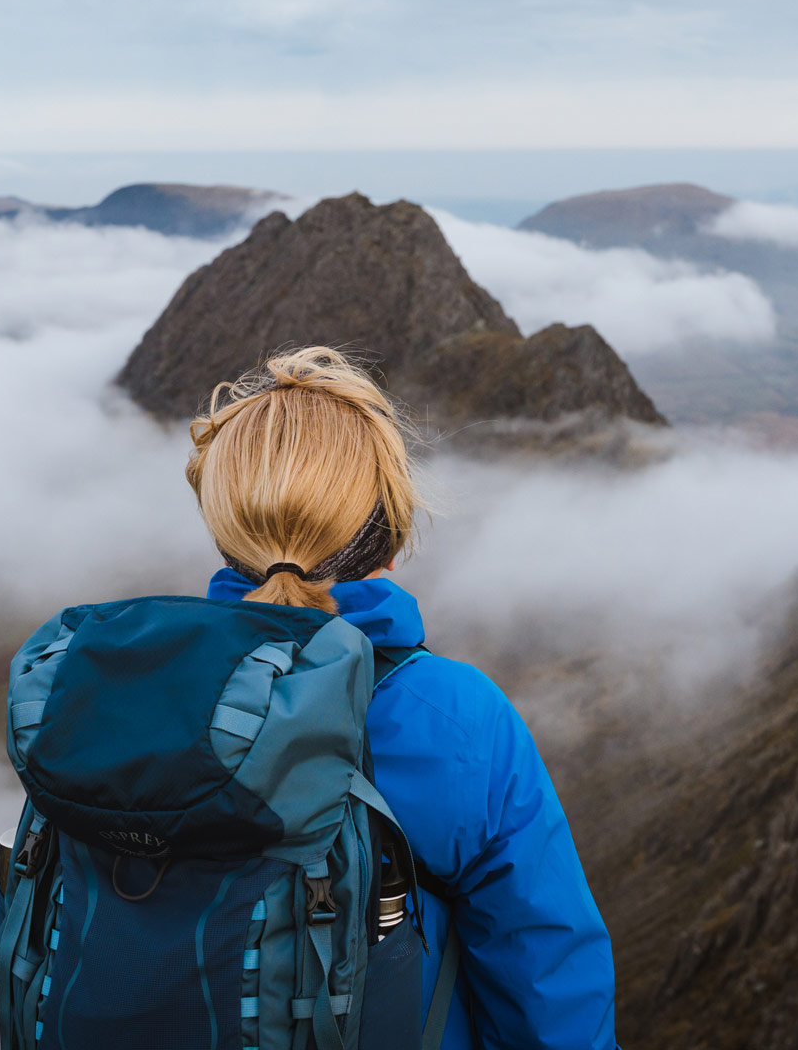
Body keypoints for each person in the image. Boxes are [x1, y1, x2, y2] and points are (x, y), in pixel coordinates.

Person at [185, 346, 618, 1050]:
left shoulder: (115, 703)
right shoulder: (459, 719)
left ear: (228, 532)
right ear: (389, 529)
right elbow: (549, 999)